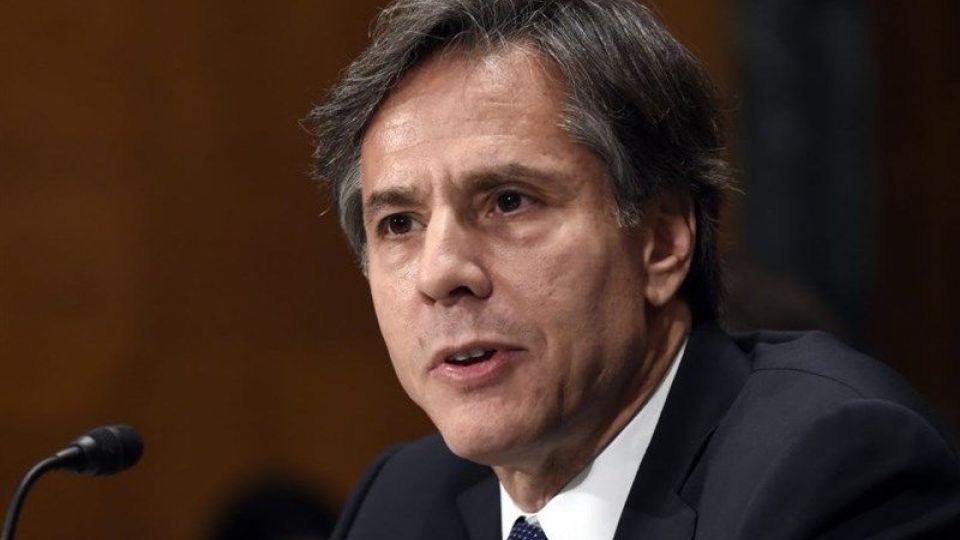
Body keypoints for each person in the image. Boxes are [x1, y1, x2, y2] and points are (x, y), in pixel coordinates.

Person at [304, 0, 960, 538]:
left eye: (509, 202)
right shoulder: (402, 502)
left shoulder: (833, 470)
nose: (441, 272)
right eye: (399, 223)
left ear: (662, 241)